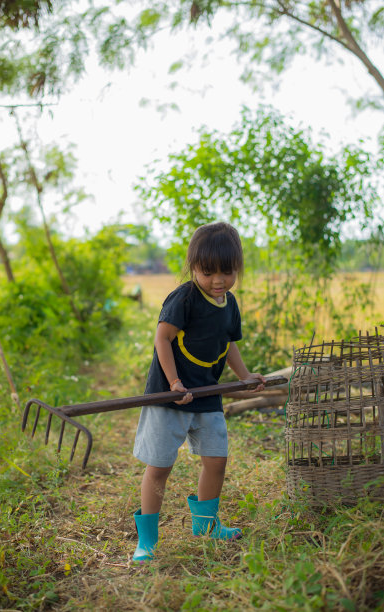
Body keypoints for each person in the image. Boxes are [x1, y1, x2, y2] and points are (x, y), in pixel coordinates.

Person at [132, 222, 266, 562]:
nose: (218, 281)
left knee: (216, 461)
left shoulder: (229, 303)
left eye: (227, 271)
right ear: (193, 266)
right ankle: (146, 542)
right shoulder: (184, 298)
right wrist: (175, 383)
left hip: (207, 395)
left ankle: (206, 525)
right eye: (208, 273)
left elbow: (228, 345)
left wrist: (246, 376)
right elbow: (162, 339)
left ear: (237, 268)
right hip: (169, 395)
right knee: (160, 467)